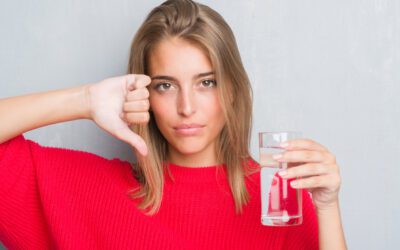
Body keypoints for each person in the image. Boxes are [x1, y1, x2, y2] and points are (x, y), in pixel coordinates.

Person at [0, 0, 347, 249]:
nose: (186, 107)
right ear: (144, 95)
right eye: (165, 85)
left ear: (234, 90)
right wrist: (85, 100)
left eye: (206, 82)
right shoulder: (84, 192)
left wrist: (329, 207)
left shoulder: (279, 205)